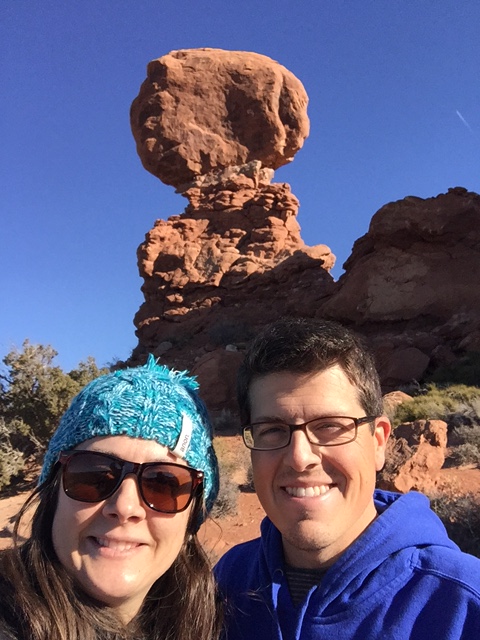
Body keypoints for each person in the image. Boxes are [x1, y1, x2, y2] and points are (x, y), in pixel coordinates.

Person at [215, 317, 480, 639]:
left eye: (330, 426)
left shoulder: (463, 604)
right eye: (272, 430)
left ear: (378, 442)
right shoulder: (227, 582)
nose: (300, 457)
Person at [0, 355, 222, 640]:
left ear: (192, 520)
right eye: (93, 475)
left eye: (162, 484)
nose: (125, 507)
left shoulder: (221, 625)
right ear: (52, 494)